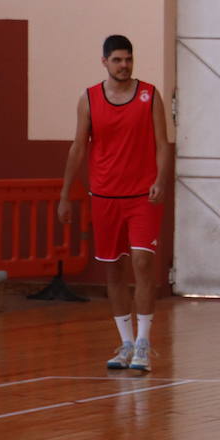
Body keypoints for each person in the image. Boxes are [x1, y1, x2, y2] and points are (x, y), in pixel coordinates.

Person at [58, 35, 171, 372]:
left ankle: (143, 342)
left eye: (128, 59)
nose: (124, 65)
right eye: (118, 60)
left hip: (142, 196)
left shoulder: (149, 95)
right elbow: (78, 147)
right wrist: (65, 194)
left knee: (143, 262)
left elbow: (162, 144)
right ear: (104, 62)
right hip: (105, 196)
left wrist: (160, 179)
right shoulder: (89, 98)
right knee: (113, 268)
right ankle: (125, 342)